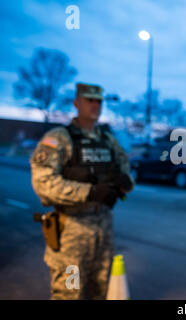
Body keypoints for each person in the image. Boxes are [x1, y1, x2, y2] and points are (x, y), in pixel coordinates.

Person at [30, 82, 134, 299]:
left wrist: (123, 181)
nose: (95, 105)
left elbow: (126, 174)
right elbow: (44, 184)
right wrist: (89, 192)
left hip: (103, 234)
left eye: (99, 101)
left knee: (100, 292)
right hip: (71, 237)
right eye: (90, 100)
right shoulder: (59, 139)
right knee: (70, 293)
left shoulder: (107, 141)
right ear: (77, 103)